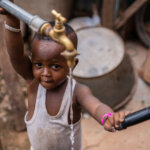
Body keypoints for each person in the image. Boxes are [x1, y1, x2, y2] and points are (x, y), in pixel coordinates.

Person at [0, 2, 129, 150]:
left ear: (72, 64)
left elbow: (96, 106)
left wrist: (108, 117)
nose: (45, 73)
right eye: (38, 65)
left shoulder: (77, 92)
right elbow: (16, 55)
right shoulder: (32, 82)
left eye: (55, 66)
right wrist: (12, 19)